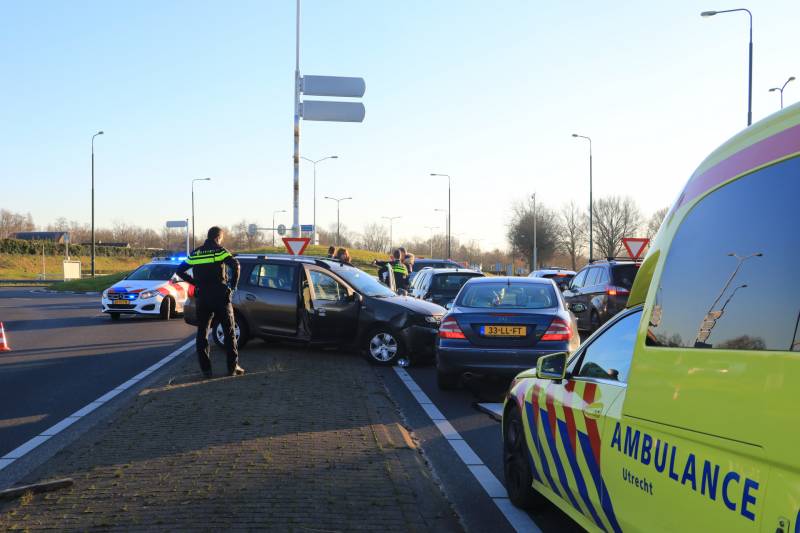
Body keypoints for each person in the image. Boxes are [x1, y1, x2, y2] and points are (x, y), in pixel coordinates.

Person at [176, 226, 244, 378]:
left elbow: (179, 271)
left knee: (202, 333)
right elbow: (236, 265)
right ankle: (232, 368)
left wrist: (195, 283)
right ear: (218, 238)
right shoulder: (219, 251)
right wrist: (232, 287)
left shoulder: (196, 253)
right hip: (220, 296)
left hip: (203, 298)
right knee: (229, 332)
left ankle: (206, 370)